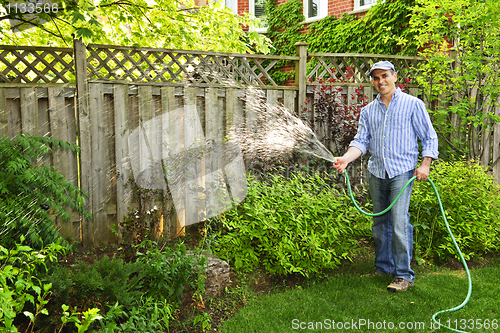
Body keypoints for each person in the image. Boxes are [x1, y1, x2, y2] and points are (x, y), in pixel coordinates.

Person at [333, 61, 439, 292]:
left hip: (402, 172)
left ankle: (403, 275)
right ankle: (383, 267)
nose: (381, 81)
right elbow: (361, 142)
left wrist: (425, 164)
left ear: (394, 76)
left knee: (399, 222)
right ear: (372, 81)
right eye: (376, 78)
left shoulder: (413, 104)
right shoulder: (368, 111)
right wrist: (346, 159)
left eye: (385, 76)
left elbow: (429, 137)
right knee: (380, 222)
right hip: (377, 172)